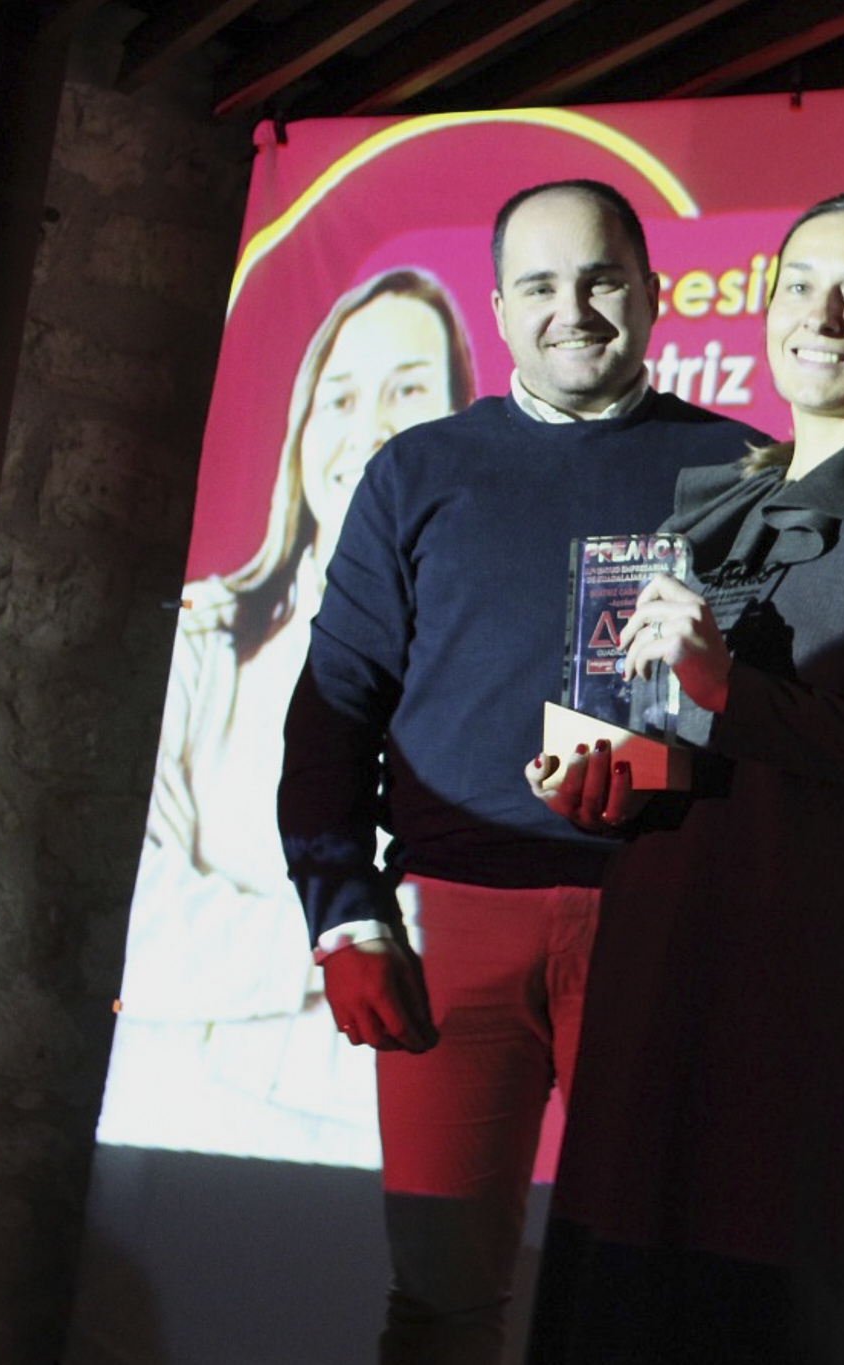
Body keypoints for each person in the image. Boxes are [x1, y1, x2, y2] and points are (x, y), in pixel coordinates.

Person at [524, 193, 844, 1363]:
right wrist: (595, 775)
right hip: (654, 975)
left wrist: (726, 692)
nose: (821, 314)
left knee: (749, 1321)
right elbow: (672, 747)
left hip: (798, 1011)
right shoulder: (709, 508)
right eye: (799, 285)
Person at [277, 181, 766, 1365]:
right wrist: (343, 914)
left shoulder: (740, 471)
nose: (572, 309)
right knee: (441, 1300)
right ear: (497, 310)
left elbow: (779, 715)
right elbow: (333, 709)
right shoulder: (416, 471)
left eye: (600, 279)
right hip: (452, 934)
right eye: (539, 285)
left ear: (650, 293)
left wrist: (687, 775)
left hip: (656, 926)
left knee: (647, 1305)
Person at [100, 267, 475, 1162]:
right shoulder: (207, 642)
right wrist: (349, 939)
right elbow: (142, 916)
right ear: (303, 430)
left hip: (380, 1139)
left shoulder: (498, 658)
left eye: (407, 391)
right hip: (166, 1124)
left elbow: (480, 936)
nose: (368, 427)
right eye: (338, 398)